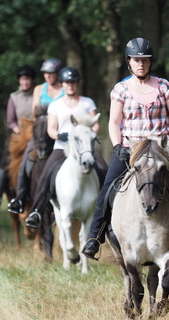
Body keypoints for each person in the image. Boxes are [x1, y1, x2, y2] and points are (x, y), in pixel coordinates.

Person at [80, 37, 169, 264]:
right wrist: (119, 145)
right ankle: (94, 238)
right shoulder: (120, 89)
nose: (141, 64)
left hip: (162, 149)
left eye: (145, 60)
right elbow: (113, 122)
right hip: (132, 149)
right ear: (129, 62)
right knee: (108, 186)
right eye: (136, 60)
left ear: (150, 62)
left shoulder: (164, 86)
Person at [23, 66, 107, 228]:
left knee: (103, 168)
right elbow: (51, 129)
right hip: (62, 147)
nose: (70, 85)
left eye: (73, 82)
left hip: (84, 147)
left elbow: (95, 126)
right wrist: (59, 135)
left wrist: (89, 131)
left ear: (77, 84)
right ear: (62, 84)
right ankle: (36, 211)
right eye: (67, 83)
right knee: (47, 173)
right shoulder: (55, 105)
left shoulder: (87, 102)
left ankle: (108, 210)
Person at [8, 57, 64, 214]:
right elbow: (35, 112)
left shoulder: (65, 88)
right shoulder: (39, 89)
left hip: (60, 133)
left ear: (57, 74)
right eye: (45, 73)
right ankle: (21, 196)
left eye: (51, 73)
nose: (47, 76)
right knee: (26, 159)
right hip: (40, 133)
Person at [0, 64, 37, 209]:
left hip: (36, 135)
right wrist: (19, 132)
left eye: (28, 79)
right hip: (19, 136)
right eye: (23, 79)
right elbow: (11, 121)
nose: (25, 82)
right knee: (5, 160)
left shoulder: (38, 95)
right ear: (19, 81)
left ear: (32, 80)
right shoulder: (14, 97)